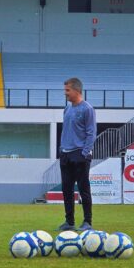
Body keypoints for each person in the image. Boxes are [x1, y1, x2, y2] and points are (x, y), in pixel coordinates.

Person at [57, 77, 96, 232]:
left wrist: (84, 152)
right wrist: (62, 149)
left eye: (67, 90)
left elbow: (91, 133)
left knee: (83, 189)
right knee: (66, 190)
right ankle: (69, 221)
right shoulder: (67, 109)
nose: (65, 93)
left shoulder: (87, 109)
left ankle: (87, 221)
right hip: (65, 154)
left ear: (76, 90)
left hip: (79, 154)